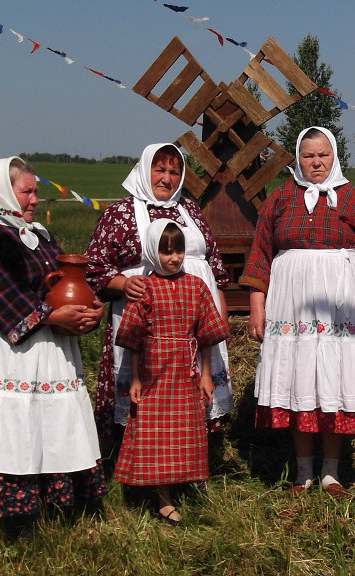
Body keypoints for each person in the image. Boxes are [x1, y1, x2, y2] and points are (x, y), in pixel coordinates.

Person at [0, 158, 106, 549]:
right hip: (7, 351)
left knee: (40, 428)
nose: (35, 199)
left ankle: (33, 517)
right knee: (6, 430)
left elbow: (65, 283)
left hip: (48, 350)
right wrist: (52, 315)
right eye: (27, 191)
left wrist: (88, 310)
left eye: (36, 191)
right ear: (1, 193)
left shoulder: (39, 236)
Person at [239, 126, 355, 495]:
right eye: (308, 156)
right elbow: (260, 254)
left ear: (334, 155)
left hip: (341, 305)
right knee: (300, 380)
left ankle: (331, 471)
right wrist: (256, 308)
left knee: (333, 381)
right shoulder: (280, 198)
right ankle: (302, 470)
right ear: (297, 158)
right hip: (290, 304)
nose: (316, 162)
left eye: (323, 154)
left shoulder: (354, 198)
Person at [85, 143, 232, 445]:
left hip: (196, 319)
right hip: (147, 320)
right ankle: (142, 459)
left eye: (174, 172)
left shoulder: (189, 209)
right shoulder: (120, 213)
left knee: (194, 381)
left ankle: (192, 456)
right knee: (150, 387)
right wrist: (122, 285)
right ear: (144, 169)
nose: (167, 178)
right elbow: (94, 268)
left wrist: (221, 315)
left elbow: (213, 265)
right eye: (160, 169)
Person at [114, 220, 230, 525]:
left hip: (186, 372)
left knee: (186, 430)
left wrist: (206, 374)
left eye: (178, 250)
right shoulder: (145, 288)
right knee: (157, 432)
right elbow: (134, 339)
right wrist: (136, 378)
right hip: (154, 372)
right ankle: (163, 499)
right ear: (153, 252)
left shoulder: (196, 286)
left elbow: (206, 335)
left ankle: (186, 486)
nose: (174, 257)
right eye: (166, 252)